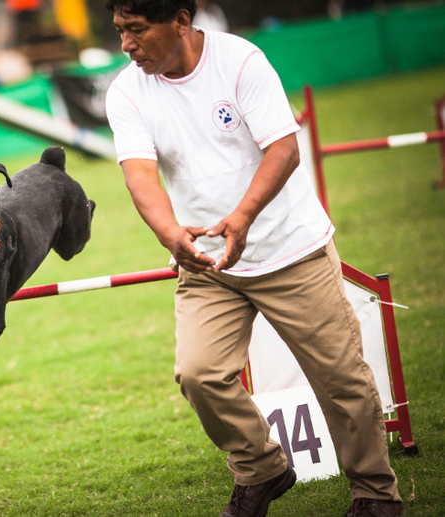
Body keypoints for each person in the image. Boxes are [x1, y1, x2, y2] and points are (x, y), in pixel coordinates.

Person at [103, 1, 403, 516]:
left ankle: (376, 497)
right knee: (199, 373)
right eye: (119, 31)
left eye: (136, 30)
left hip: (291, 250)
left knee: (342, 380)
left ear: (179, 19)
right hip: (209, 266)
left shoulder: (241, 61)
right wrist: (170, 232)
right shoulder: (126, 89)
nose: (126, 45)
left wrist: (241, 218)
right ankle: (262, 469)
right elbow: (139, 174)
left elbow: (284, 149)